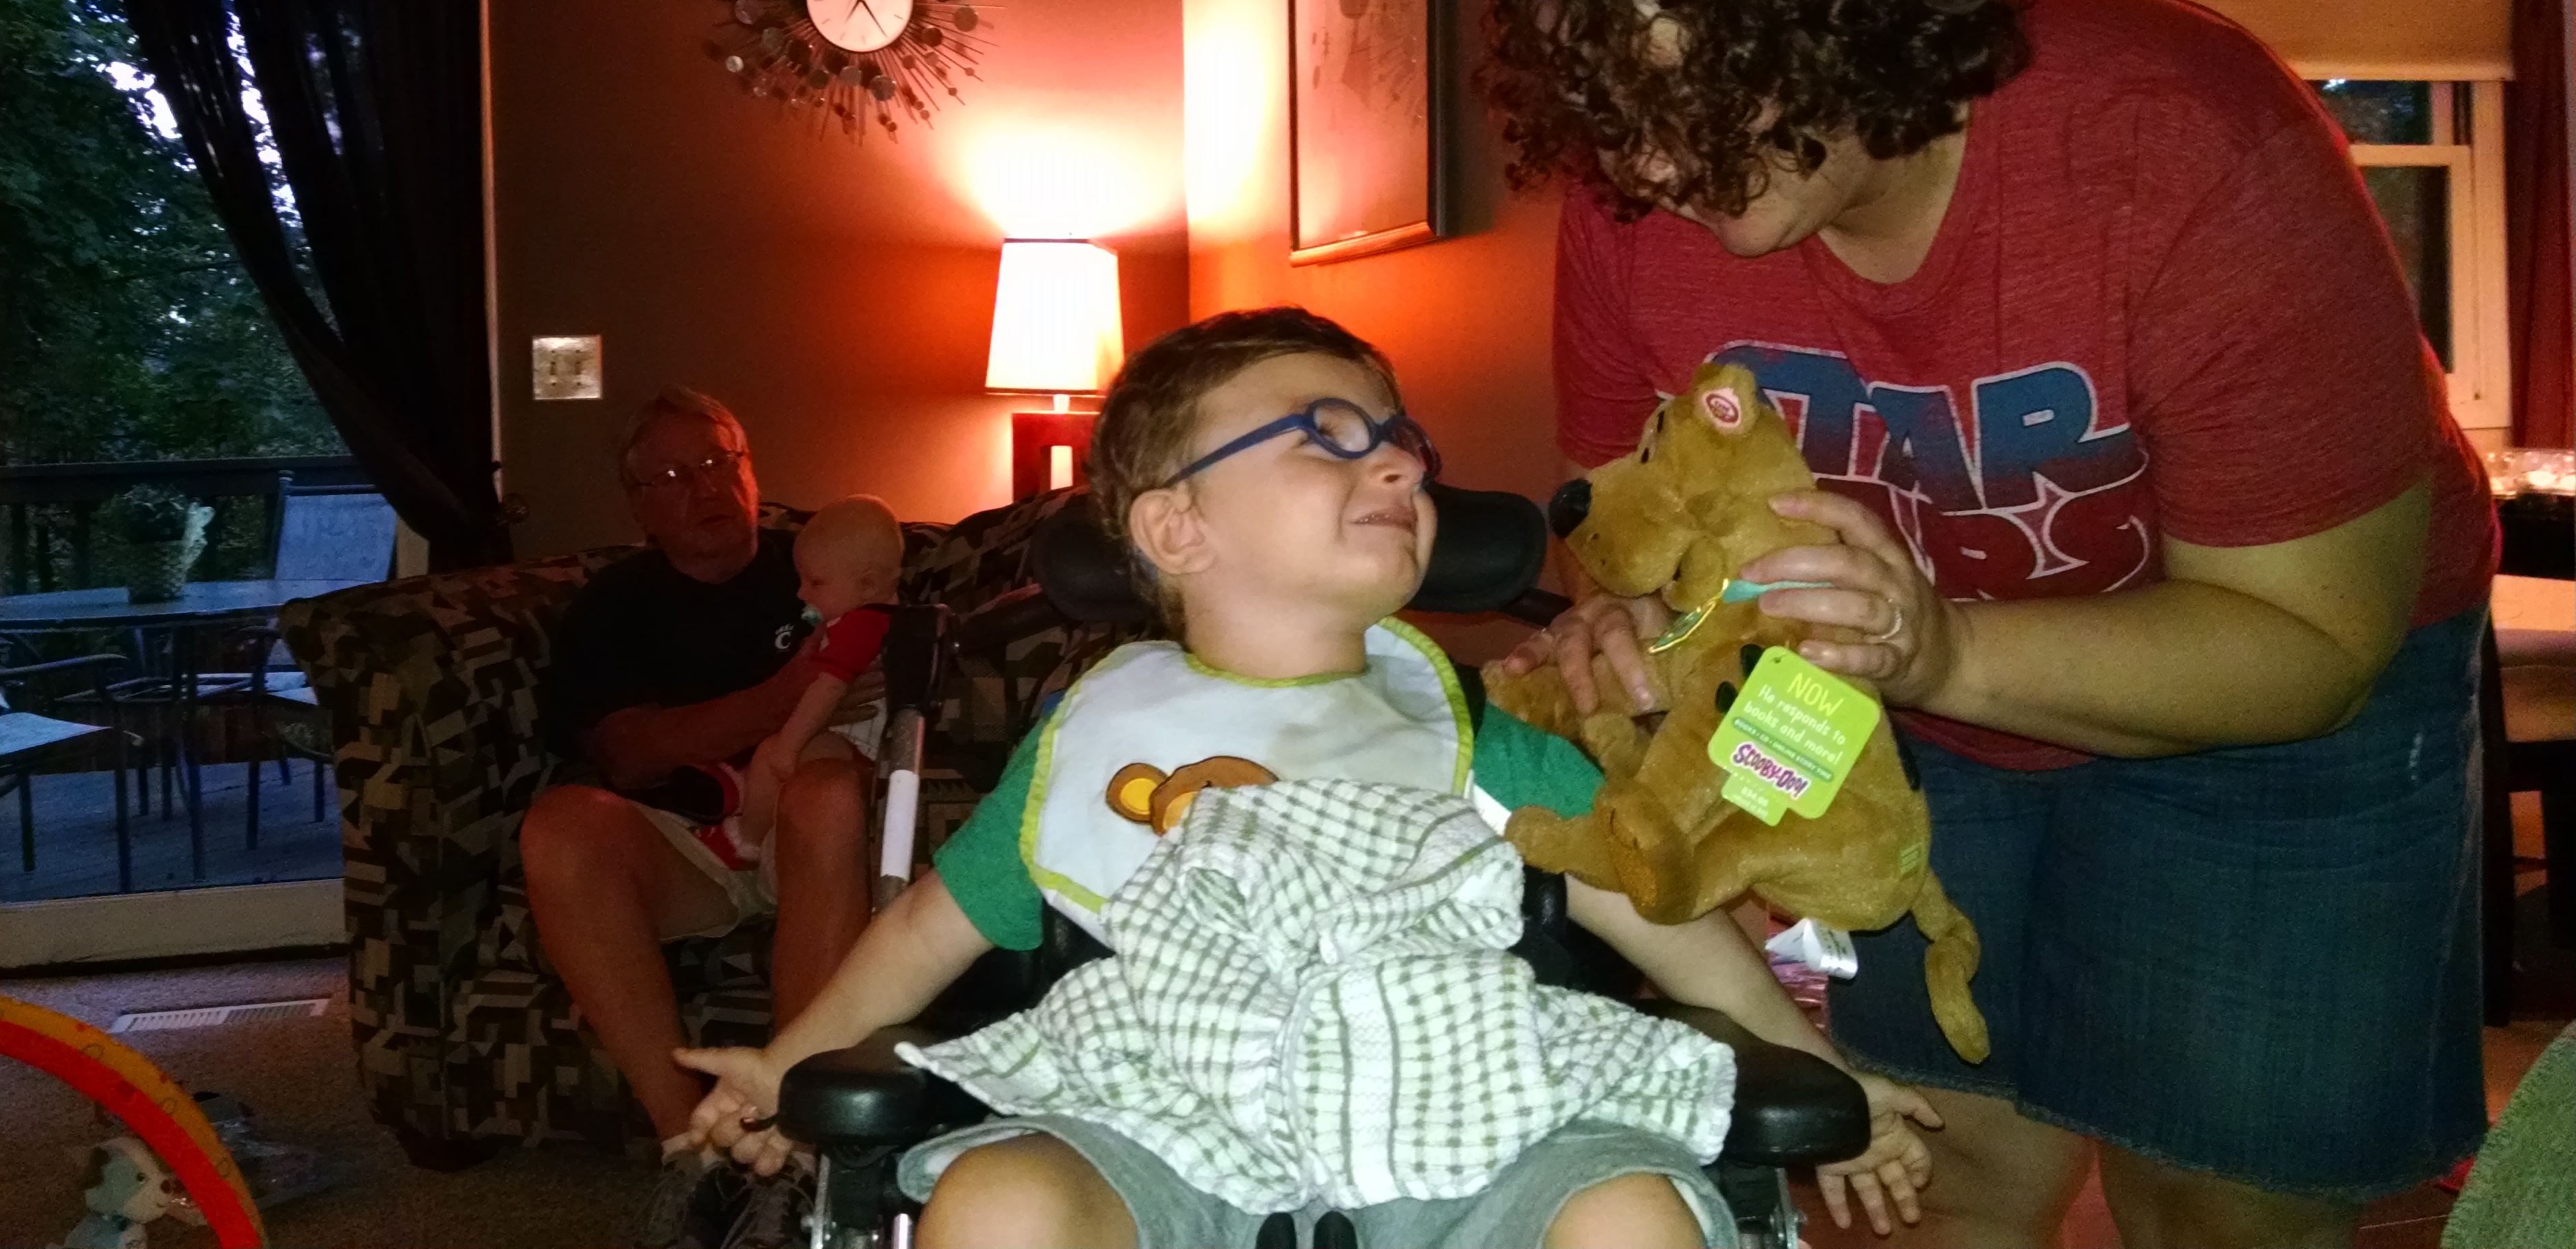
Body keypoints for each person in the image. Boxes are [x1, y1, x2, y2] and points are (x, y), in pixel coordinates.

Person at [1480, 0, 2496, 1249]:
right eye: (1610, 109)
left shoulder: (2183, 141)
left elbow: (2308, 639)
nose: (1645, 161)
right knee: (1934, 1164)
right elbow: (1639, 526)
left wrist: (1945, 646)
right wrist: (1633, 632)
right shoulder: (1637, 209)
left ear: (1854, 15)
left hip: (2263, 692)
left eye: (1694, 93)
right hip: (1891, 695)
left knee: (2214, 1190)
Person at [673, 308, 1939, 1249]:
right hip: (1166, 1118)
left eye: (1400, 441)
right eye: (1328, 437)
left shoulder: (1472, 732)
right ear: (1176, 527)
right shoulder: (1099, 742)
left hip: (1463, 1112)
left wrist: (1821, 1071)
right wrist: (790, 1062)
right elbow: (923, 929)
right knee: (997, 1203)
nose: (1400, 465)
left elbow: (1665, 918)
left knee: (1634, 1216)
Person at [518, 388, 874, 1248]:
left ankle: (792, 1145)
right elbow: (630, 753)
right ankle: (693, 1149)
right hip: (687, 848)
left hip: (811, 832)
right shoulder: (616, 603)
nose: (706, 486)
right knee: (559, 827)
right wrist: (786, 697)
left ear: (749, 470)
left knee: (828, 790)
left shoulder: (823, 570)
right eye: (675, 475)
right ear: (640, 505)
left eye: (719, 462)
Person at [734, 494, 904, 863]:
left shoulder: (861, 625)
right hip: (863, 745)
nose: (801, 593)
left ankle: (748, 843)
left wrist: (789, 745)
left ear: (867, 585)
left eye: (815, 582)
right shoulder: (879, 617)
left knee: (769, 756)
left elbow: (828, 688)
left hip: (860, 747)